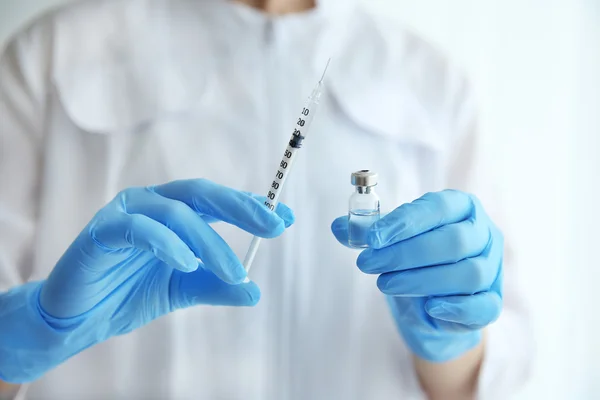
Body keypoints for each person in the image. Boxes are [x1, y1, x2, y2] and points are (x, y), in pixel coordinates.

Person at [0, 0, 532, 398]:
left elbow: (502, 366)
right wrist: (27, 334)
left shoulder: (431, 83)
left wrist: (452, 343)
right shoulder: (54, 58)